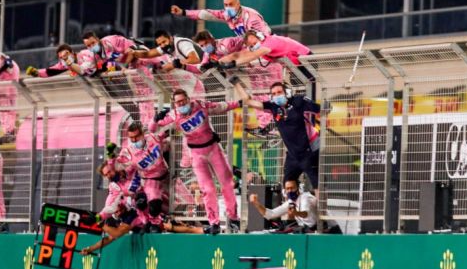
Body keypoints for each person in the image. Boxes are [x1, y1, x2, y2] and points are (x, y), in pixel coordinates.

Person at [149, 88, 245, 234]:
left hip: (213, 149)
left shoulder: (200, 105)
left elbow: (221, 107)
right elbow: (153, 130)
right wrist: (155, 119)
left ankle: (233, 218)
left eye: (183, 101)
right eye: (178, 102)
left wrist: (239, 103)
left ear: (188, 99)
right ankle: (214, 222)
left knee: (228, 184)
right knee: (208, 189)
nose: (181, 104)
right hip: (196, 154)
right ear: (174, 104)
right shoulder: (173, 115)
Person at [233, 79, 320, 188]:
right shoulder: (273, 106)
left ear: (287, 93)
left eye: (279, 92)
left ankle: (321, 205)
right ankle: (292, 203)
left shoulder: (299, 101)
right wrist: (235, 82)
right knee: (288, 184)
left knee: (317, 185)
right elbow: (248, 101)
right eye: (273, 94)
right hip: (293, 154)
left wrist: (325, 107)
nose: (276, 96)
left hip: (309, 150)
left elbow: (320, 109)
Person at [116, 122, 169, 231]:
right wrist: (119, 170)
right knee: (154, 205)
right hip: (150, 180)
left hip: (167, 175)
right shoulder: (127, 152)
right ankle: (154, 224)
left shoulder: (153, 138)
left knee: (179, 203)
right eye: (131, 138)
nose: (134, 140)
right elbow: (119, 166)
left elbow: (168, 132)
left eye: (136, 136)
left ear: (142, 134)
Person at [171, 0, 271, 37]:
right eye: (225, 5)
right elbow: (206, 14)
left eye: (230, 4)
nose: (228, 8)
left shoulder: (251, 17)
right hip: (248, 45)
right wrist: (183, 12)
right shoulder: (227, 14)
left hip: (263, 47)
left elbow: (263, 37)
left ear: (238, 4)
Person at [249, 179, 317, 232]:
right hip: (305, 231)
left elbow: (305, 213)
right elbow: (270, 214)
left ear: (298, 188)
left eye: (292, 188)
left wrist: (296, 213)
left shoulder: (305, 197)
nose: (290, 191)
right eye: (287, 189)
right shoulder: (290, 202)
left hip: (317, 229)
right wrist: (256, 203)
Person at [131, 30, 202, 73]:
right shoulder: (165, 47)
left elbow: (195, 59)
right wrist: (133, 52)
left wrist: (174, 64)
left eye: (164, 42)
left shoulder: (181, 43)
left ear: (170, 38)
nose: (162, 45)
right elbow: (148, 54)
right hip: (197, 75)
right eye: (160, 44)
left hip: (207, 74)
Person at [27, 43, 96, 78]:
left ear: (71, 52)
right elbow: (51, 71)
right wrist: (37, 72)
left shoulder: (85, 54)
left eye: (66, 55)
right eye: (61, 57)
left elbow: (83, 70)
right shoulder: (64, 63)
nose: (64, 58)